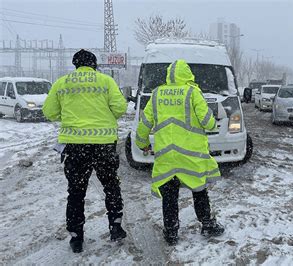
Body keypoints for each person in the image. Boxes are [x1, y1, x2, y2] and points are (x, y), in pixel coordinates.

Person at [42, 49, 128, 253]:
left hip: (75, 146)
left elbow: (49, 112)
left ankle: (76, 237)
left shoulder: (62, 83)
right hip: (103, 145)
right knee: (111, 185)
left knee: (76, 191)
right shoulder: (105, 81)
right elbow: (120, 108)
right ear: (94, 64)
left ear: (75, 64)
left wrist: (71, 117)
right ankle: (115, 226)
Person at [135, 59, 224, 246]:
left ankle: (171, 232)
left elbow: (144, 123)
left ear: (168, 75)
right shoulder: (193, 92)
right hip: (191, 155)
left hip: (167, 155)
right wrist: (211, 121)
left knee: (169, 195)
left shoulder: (157, 93)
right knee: (199, 190)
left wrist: (142, 143)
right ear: (188, 74)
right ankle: (207, 224)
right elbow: (208, 123)